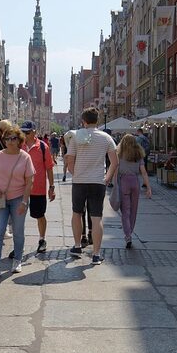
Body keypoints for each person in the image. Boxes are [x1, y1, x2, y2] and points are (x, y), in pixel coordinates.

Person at [66, 108, 118, 265]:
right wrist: (107, 178)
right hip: (97, 182)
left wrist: (76, 174)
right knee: (96, 218)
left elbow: (69, 161)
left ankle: (77, 246)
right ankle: (96, 254)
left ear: (84, 121)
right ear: (98, 120)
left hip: (80, 182)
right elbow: (115, 162)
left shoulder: (76, 137)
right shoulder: (106, 138)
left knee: (77, 214)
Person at [0, 124, 34, 279]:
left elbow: (29, 181)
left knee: (18, 232)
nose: (10, 141)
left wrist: (25, 202)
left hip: (18, 198)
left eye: (13, 138)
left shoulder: (25, 157)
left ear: (19, 140)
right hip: (0, 197)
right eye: (7, 138)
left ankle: (17, 260)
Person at [19, 121, 55, 254]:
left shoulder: (43, 147)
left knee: (39, 215)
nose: (25, 135)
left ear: (34, 131)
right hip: (20, 188)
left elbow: (49, 168)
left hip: (38, 188)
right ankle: (19, 244)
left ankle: (42, 239)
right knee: (18, 217)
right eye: (23, 132)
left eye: (27, 132)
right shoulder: (18, 145)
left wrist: (51, 187)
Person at [114, 134, 152, 248]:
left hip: (124, 182)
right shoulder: (138, 154)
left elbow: (116, 169)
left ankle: (127, 235)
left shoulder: (119, 154)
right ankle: (130, 231)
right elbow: (144, 172)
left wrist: (113, 182)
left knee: (125, 211)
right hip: (135, 182)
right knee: (134, 209)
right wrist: (148, 187)